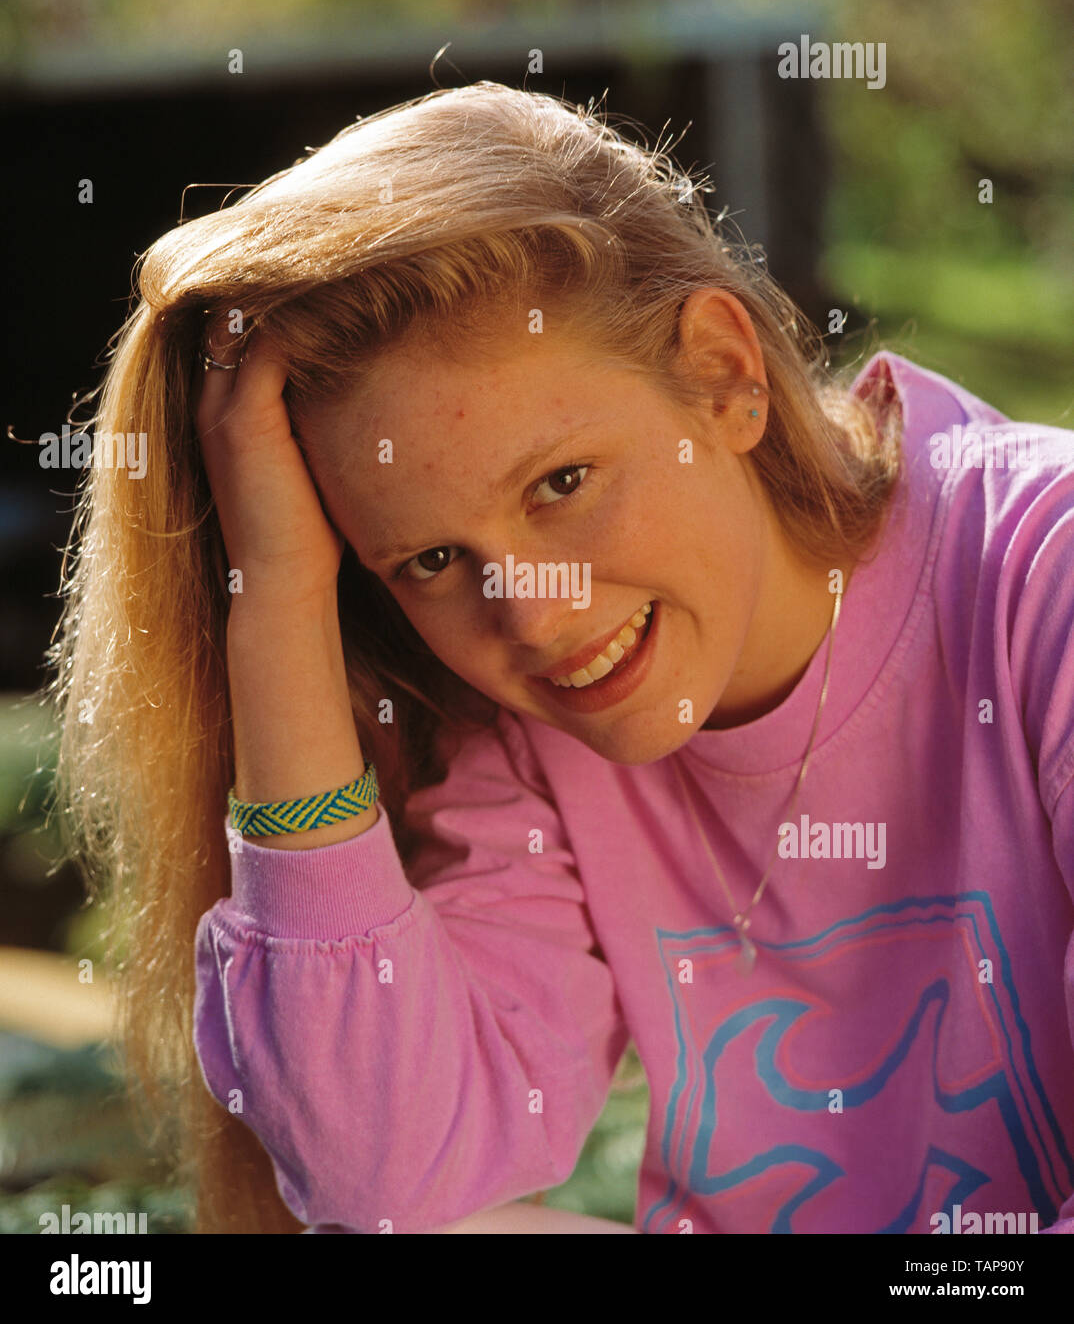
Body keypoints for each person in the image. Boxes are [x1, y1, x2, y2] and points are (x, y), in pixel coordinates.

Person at [44, 82, 1074, 1235]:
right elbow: (385, 1179)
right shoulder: (537, 739)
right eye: (431, 557)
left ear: (724, 376)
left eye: (562, 484)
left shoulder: (1045, 569)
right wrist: (275, 600)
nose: (529, 618)